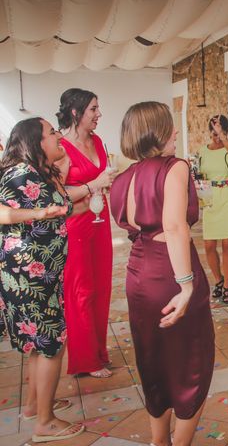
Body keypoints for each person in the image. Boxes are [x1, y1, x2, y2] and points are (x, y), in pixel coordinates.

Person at [110, 102, 214, 446]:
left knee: (153, 359)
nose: (176, 133)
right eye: (171, 127)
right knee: (191, 362)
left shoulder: (123, 179)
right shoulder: (175, 167)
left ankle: (159, 441)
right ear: (157, 132)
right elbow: (173, 225)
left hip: (138, 274)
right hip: (171, 271)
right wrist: (186, 286)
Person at [0, 117, 86, 443]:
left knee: (40, 341)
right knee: (52, 342)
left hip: (39, 272)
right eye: (52, 133)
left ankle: (36, 406)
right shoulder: (20, 173)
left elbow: (61, 207)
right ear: (35, 142)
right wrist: (39, 214)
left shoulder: (36, 171)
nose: (58, 136)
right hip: (29, 274)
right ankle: (45, 423)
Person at [56, 88, 117, 378]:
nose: (98, 114)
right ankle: (85, 360)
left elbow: (104, 177)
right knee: (81, 290)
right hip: (76, 225)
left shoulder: (99, 141)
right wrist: (94, 185)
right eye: (93, 109)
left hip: (100, 220)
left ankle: (98, 353)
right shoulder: (61, 149)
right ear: (75, 112)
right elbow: (59, 194)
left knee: (102, 287)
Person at [198, 114, 228, 304]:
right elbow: (202, 175)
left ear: (226, 132)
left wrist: (223, 137)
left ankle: (227, 285)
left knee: (227, 245)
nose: (216, 136)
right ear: (210, 132)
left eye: (220, 133)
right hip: (211, 199)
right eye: (214, 133)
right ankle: (218, 280)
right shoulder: (203, 151)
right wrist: (202, 198)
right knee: (209, 245)